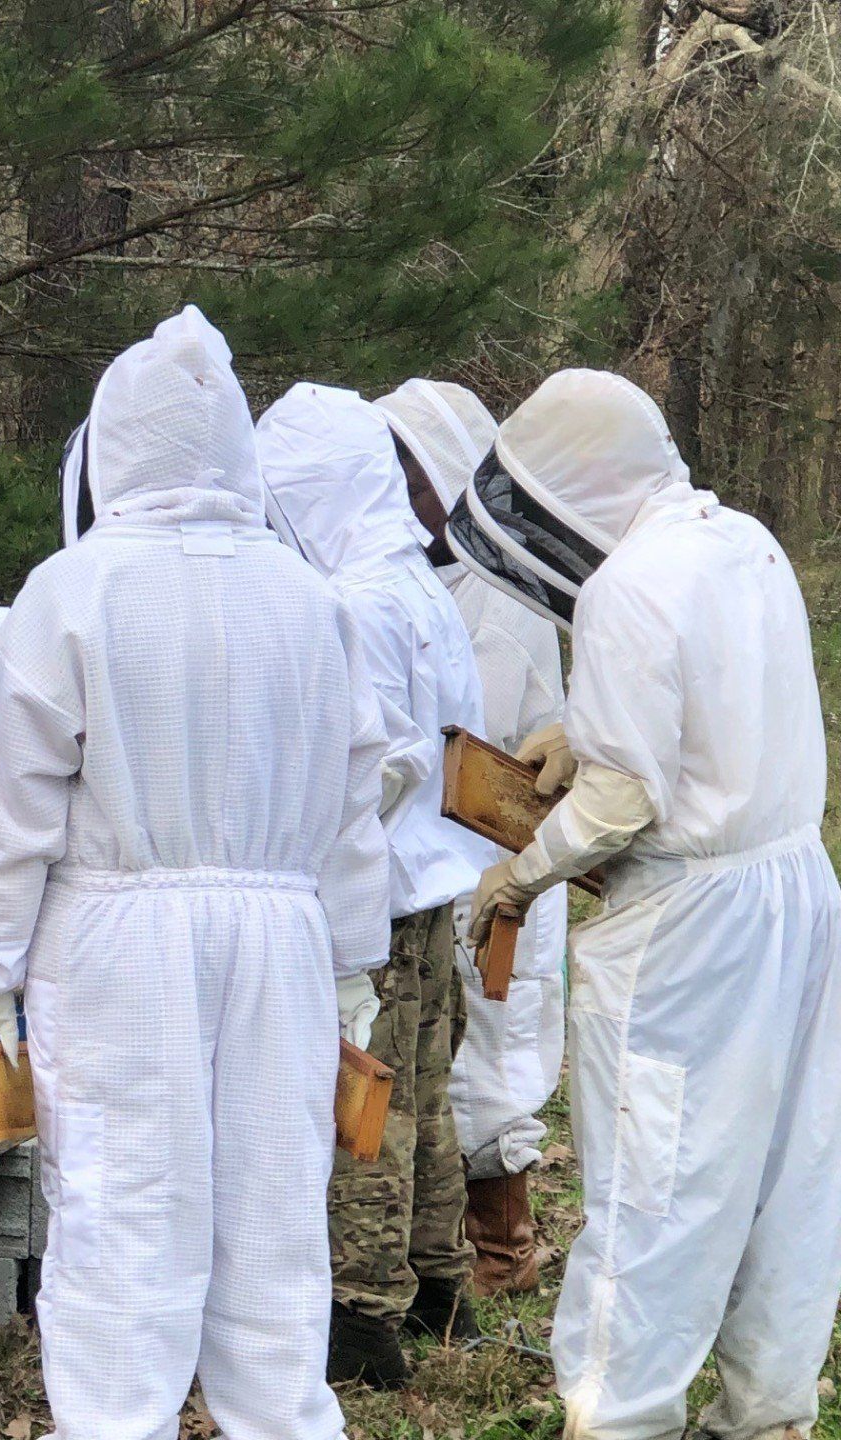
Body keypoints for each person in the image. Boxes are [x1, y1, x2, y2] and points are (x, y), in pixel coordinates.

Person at [0, 307, 393, 1440]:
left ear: (113, 446)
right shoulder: (314, 599)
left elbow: (7, 811)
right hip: (283, 941)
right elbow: (355, 801)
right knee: (274, 1219)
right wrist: (351, 959)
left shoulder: (72, 591)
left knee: (122, 1213)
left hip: (118, 944)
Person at [459, 370, 841, 1440]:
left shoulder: (629, 584)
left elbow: (625, 803)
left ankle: (618, 1417)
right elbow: (717, 704)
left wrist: (521, 874)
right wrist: (586, 733)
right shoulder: (744, 541)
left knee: (655, 1186)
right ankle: (768, 1414)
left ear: (570, 486)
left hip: (690, 934)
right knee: (786, 1173)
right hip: (795, 895)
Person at [257, 382, 487, 1387]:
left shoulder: (350, 601)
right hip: (430, 883)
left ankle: (361, 1319)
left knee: (368, 1103)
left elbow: (369, 768)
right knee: (428, 1093)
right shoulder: (417, 584)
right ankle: (440, 1284)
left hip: (378, 898)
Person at [376, 377, 567, 1294]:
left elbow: (530, 740)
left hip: (500, 857)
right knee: (418, 1055)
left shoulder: (510, 597)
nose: (405, 495)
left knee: (497, 1037)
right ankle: (433, 1240)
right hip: (410, 864)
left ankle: (504, 1247)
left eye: (417, 477)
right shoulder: (383, 580)